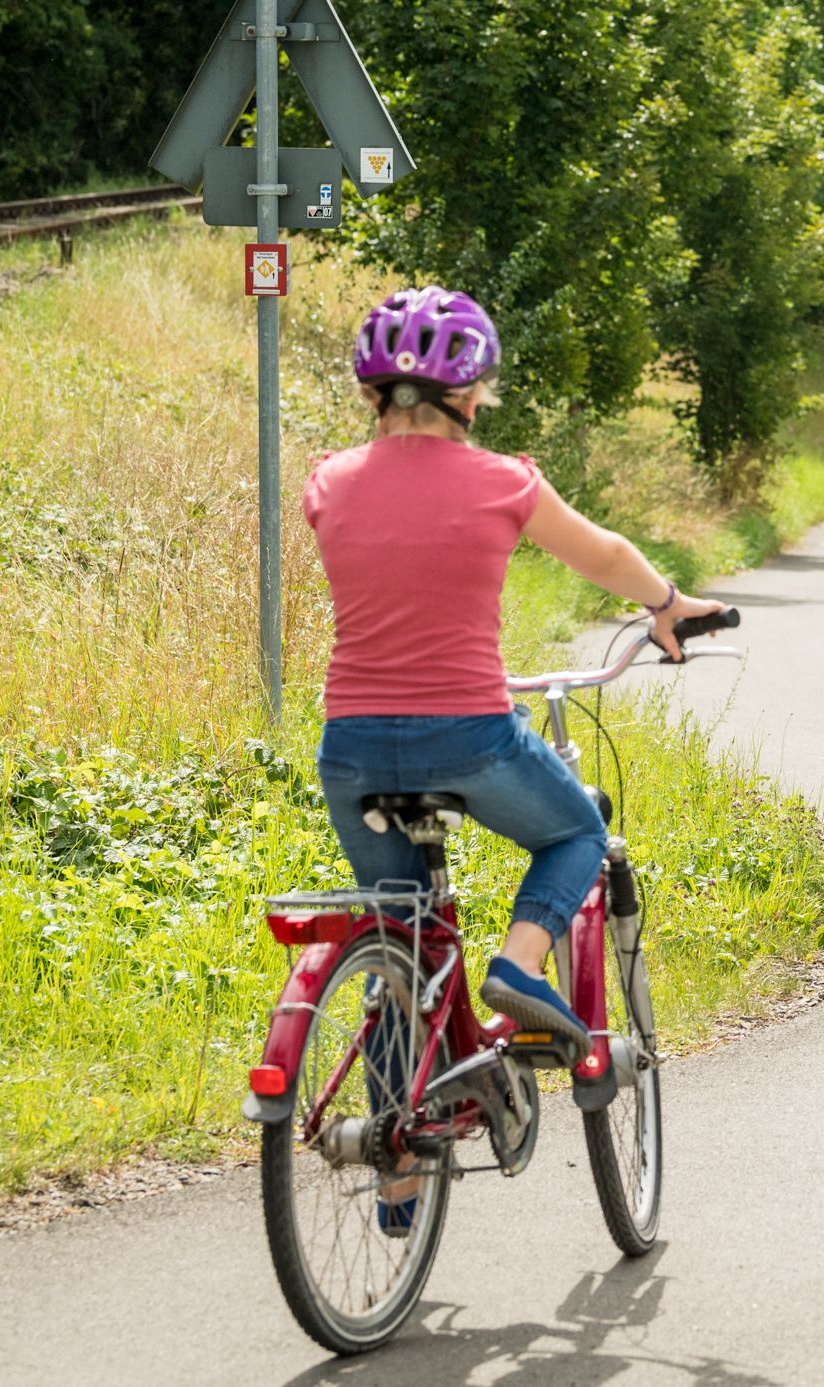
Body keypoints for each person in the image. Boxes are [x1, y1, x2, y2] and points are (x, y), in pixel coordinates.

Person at [307, 286, 727, 1061]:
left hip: (352, 751)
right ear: (470, 392)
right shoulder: (503, 481)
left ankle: (397, 1168)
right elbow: (602, 554)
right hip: (470, 737)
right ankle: (520, 967)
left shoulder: (328, 481)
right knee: (578, 830)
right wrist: (667, 603)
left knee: (401, 939)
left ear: (370, 391)